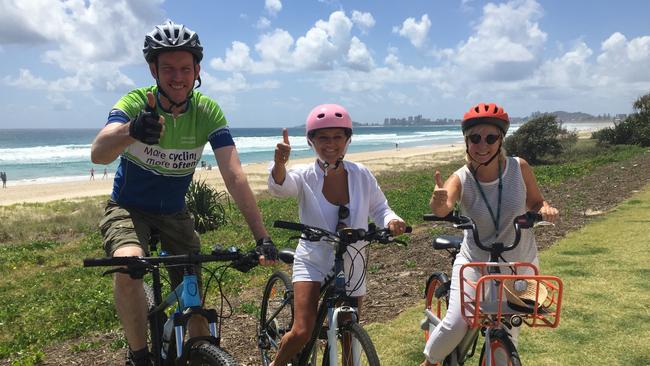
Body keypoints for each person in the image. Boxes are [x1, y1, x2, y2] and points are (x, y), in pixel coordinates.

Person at [90, 20, 277, 366]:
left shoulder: (207, 112)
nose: (178, 77)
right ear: (153, 70)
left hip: (174, 212)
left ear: (197, 70)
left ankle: (202, 353)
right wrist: (133, 130)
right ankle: (139, 355)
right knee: (129, 263)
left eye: (185, 68)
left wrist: (261, 236)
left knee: (193, 296)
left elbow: (234, 175)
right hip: (128, 207)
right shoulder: (136, 104)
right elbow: (98, 153)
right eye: (168, 69)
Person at [268, 104, 408, 366]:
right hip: (314, 258)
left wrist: (392, 220)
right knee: (302, 331)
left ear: (347, 140)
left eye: (337, 137)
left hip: (353, 259)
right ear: (311, 141)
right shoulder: (304, 175)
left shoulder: (361, 174)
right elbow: (281, 187)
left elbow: (380, 208)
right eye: (323, 137)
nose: (331, 144)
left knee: (348, 332)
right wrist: (279, 164)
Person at [421, 103, 559, 365]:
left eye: (490, 138)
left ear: (501, 140)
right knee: (457, 322)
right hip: (475, 260)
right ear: (466, 141)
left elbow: (536, 202)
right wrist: (438, 202)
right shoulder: (461, 178)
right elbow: (443, 207)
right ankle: (429, 362)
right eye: (474, 138)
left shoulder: (520, 168)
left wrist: (546, 209)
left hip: (518, 261)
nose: (482, 145)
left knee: (509, 331)